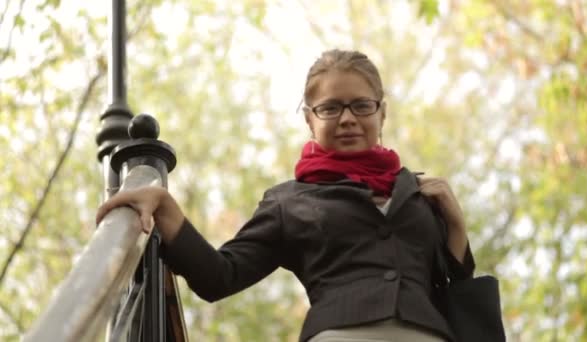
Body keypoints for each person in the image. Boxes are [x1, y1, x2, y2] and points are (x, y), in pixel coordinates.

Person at [96, 49, 475, 342]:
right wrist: (166, 207)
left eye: (361, 105)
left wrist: (455, 225)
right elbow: (219, 276)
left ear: (381, 113)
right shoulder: (289, 202)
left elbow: (451, 290)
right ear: (310, 119)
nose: (347, 118)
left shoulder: (421, 194)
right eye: (330, 108)